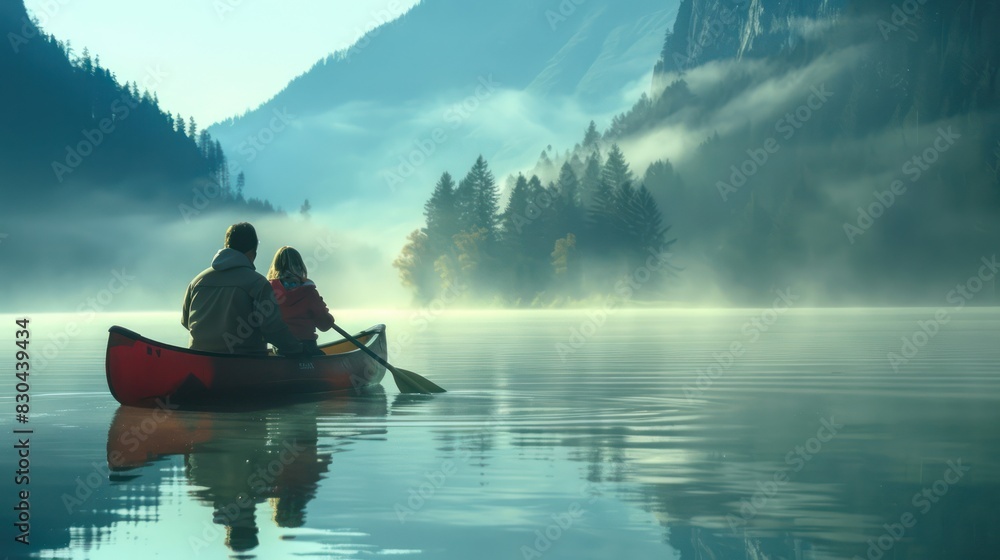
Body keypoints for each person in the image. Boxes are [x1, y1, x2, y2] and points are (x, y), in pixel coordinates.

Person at [182, 223, 303, 356]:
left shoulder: (197, 281)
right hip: (245, 363)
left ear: (226, 246)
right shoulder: (258, 283)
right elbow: (273, 330)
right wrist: (298, 349)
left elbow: (185, 322)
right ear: (253, 252)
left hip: (198, 360)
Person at [267, 246, 335, 356]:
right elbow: (325, 325)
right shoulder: (308, 291)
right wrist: (321, 305)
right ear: (300, 266)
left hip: (280, 349)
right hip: (306, 348)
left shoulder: (268, 290)